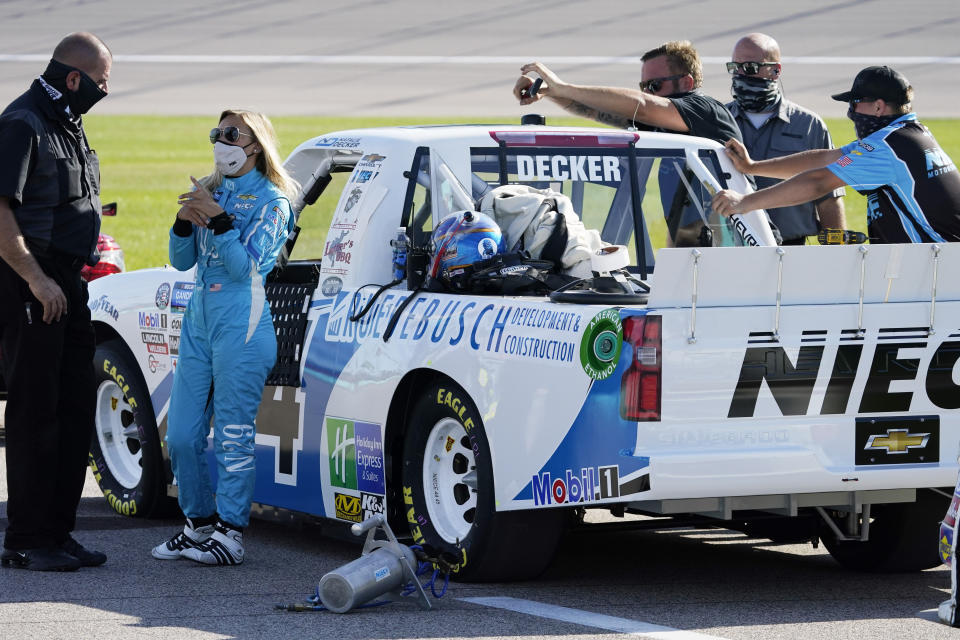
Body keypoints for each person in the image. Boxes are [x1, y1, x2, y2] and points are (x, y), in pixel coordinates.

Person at [152, 110, 297, 566]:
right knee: (180, 436)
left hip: (244, 325)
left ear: (257, 144)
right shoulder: (215, 191)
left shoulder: (275, 203)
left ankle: (231, 533)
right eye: (217, 133)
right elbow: (180, 262)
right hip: (199, 323)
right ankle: (198, 525)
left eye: (232, 134)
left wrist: (218, 222)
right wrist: (182, 220)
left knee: (233, 435)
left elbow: (248, 269)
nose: (221, 141)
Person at [0, 33, 112, 572]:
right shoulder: (23, 123)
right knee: (34, 411)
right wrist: (36, 278)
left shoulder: (67, 121)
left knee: (74, 406)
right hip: (32, 282)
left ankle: (57, 532)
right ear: (74, 78)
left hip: (67, 281)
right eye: (102, 81)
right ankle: (25, 538)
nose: (105, 90)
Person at [513, 40, 745, 246]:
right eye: (644, 88)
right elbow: (596, 110)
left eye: (654, 86)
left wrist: (565, 87)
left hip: (739, 244)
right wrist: (549, 91)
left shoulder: (704, 109)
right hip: (700, 244)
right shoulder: (664, 124)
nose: (648, 93)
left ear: (686, 82)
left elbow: (642, 107)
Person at [712, 66, 960, 243]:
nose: (851, 113)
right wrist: (753, 166)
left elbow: (818, 181)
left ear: (878, 106)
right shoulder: (907, 135)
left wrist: (744, 203)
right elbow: (826, 158)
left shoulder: (888, 148)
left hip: (937, 268)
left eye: (855, 103)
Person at [725, 33, 846, 245]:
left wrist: (837, 253)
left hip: (791, 248)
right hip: (732, 246)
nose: (741, 74)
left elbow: (829, 199)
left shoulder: (809, 125)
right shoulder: (721, 122)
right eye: (735, 67)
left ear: (776, 71)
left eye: (751, 67)